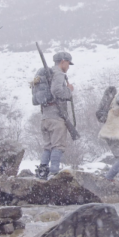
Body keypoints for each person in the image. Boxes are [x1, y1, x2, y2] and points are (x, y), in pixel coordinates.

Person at [35, 51, 74, 180]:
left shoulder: (45, 74)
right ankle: (54, 172)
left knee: (47, 147)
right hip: (56, 117)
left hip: (45, 117)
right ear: (63, 61)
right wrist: (69, 91)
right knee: (58, 146)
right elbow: (56, 90)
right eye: (68, 63)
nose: (68, 66)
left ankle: (42, 171)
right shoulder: (58, 74)